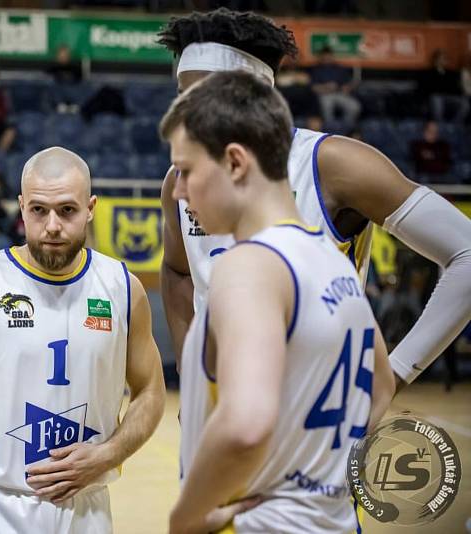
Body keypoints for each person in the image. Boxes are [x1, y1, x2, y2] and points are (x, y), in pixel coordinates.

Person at [157, 8, 471, 394]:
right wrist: (192, 375)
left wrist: (394, 374)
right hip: (222, 408)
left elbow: (466, 252)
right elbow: (177, 273)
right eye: (180, 97)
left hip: (320, 416)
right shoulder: (180, 181)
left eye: (199, 97)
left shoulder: (332, 164)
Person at [162, 70, 395, 534]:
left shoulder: (249, 267)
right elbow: (382, 386)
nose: (179, 191)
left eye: (187, 171)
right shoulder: (332, 262)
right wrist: (317, 479)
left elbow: (245, 425)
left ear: (234, 162)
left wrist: (185, 518)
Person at [0, 146, 165, 533]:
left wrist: (106, 455)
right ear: (21, 207)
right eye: (38, 210)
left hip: (87, 511)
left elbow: (151, 390)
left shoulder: (123, 289)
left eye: (67, 210)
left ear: (91, 207)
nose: (52, 225)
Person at [310, 45, 361, 127]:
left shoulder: (339, 68)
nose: (327, 58)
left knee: (354, 106)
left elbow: (348, 84)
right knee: (327, 105)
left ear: (332, 56)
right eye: (324, 56)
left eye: (329, 56)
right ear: (321, 57)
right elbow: (313, 87)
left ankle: (346, 128)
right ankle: (330, 129)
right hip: (324, 95)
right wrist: (325, 87)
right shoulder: (316, 69)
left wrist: (347, 87)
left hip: (339, 94)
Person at [419, 49, 469, 123]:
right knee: (436, 98)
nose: (443, 60)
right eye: (441, 58)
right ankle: (440, 125)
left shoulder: (451, 73)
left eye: (445, 58)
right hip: (436, 96)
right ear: (435, 60)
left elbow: (455, 87)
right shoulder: (427, 73)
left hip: (449, 97)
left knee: (464, 103)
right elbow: (426, 88)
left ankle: (454, 125)